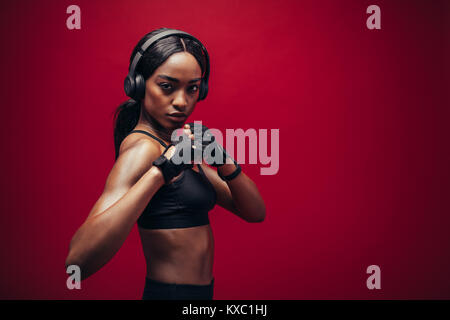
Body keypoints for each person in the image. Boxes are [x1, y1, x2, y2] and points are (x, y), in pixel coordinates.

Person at [65, 27, 266, 300]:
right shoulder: (143, 149)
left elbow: (254, 212)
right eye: (167, 87)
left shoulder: (175, 149)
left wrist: (224, 161)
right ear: (138, 85)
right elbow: (77, 263)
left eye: (192, 88)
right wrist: (158, 173)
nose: (181, 102)